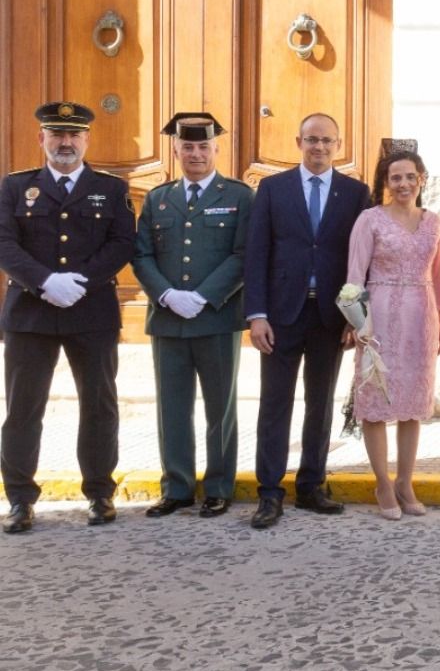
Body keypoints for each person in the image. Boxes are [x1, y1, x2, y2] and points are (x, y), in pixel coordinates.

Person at [0, 102, 135, 534]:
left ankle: (99, 492)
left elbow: (121, 244)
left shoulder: (110, 189)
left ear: (86, 140)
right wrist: (44, 283)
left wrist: (81, 281)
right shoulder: (15, 187)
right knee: (23, 408)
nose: (65, 142)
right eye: (56, 134)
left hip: (91, 311)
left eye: (74, 135)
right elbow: (5, 244)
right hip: (30, 314)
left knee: (98, 405)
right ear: (41, 139)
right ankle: (19, 498)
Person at [243, 112, 371, 530]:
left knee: (321, 403)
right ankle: (269, 492)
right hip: (281, 315)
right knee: (274, 404)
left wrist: (357, 317)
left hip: (329, 316)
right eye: (311, 140)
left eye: (327, 141)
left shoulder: (355, 193)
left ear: (338, 145)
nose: (319, 147)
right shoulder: (273, 189)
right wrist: (256, 315)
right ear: (298, 141)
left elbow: (362, 261)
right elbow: (257, 253)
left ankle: (312, 485)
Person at [131, 113, 254, 518]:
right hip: (168, 319)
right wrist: (166, 294)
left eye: (203, 146)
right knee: (172, 406)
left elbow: (243, 254)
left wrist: (203, 296)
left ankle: (219, 486)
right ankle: (178, 487)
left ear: (217, 149)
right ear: (176, 150)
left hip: (216, 318)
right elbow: (142, 254)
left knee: (221, 407)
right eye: (188, 147)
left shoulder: (238, 196)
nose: (196, 153)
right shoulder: (157, 198)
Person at [346, 147, 440, 520]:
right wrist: (358, 323)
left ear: (421, 179)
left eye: (410, 177)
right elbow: (355, 276)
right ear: (386, 183)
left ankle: (406, 481)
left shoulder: (433, 221)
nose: (403, 184)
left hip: (422, 315)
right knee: (376, 401)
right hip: (379, 319)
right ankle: (383, 483)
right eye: (395, 178)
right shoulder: (369, 220)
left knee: (413, 405)